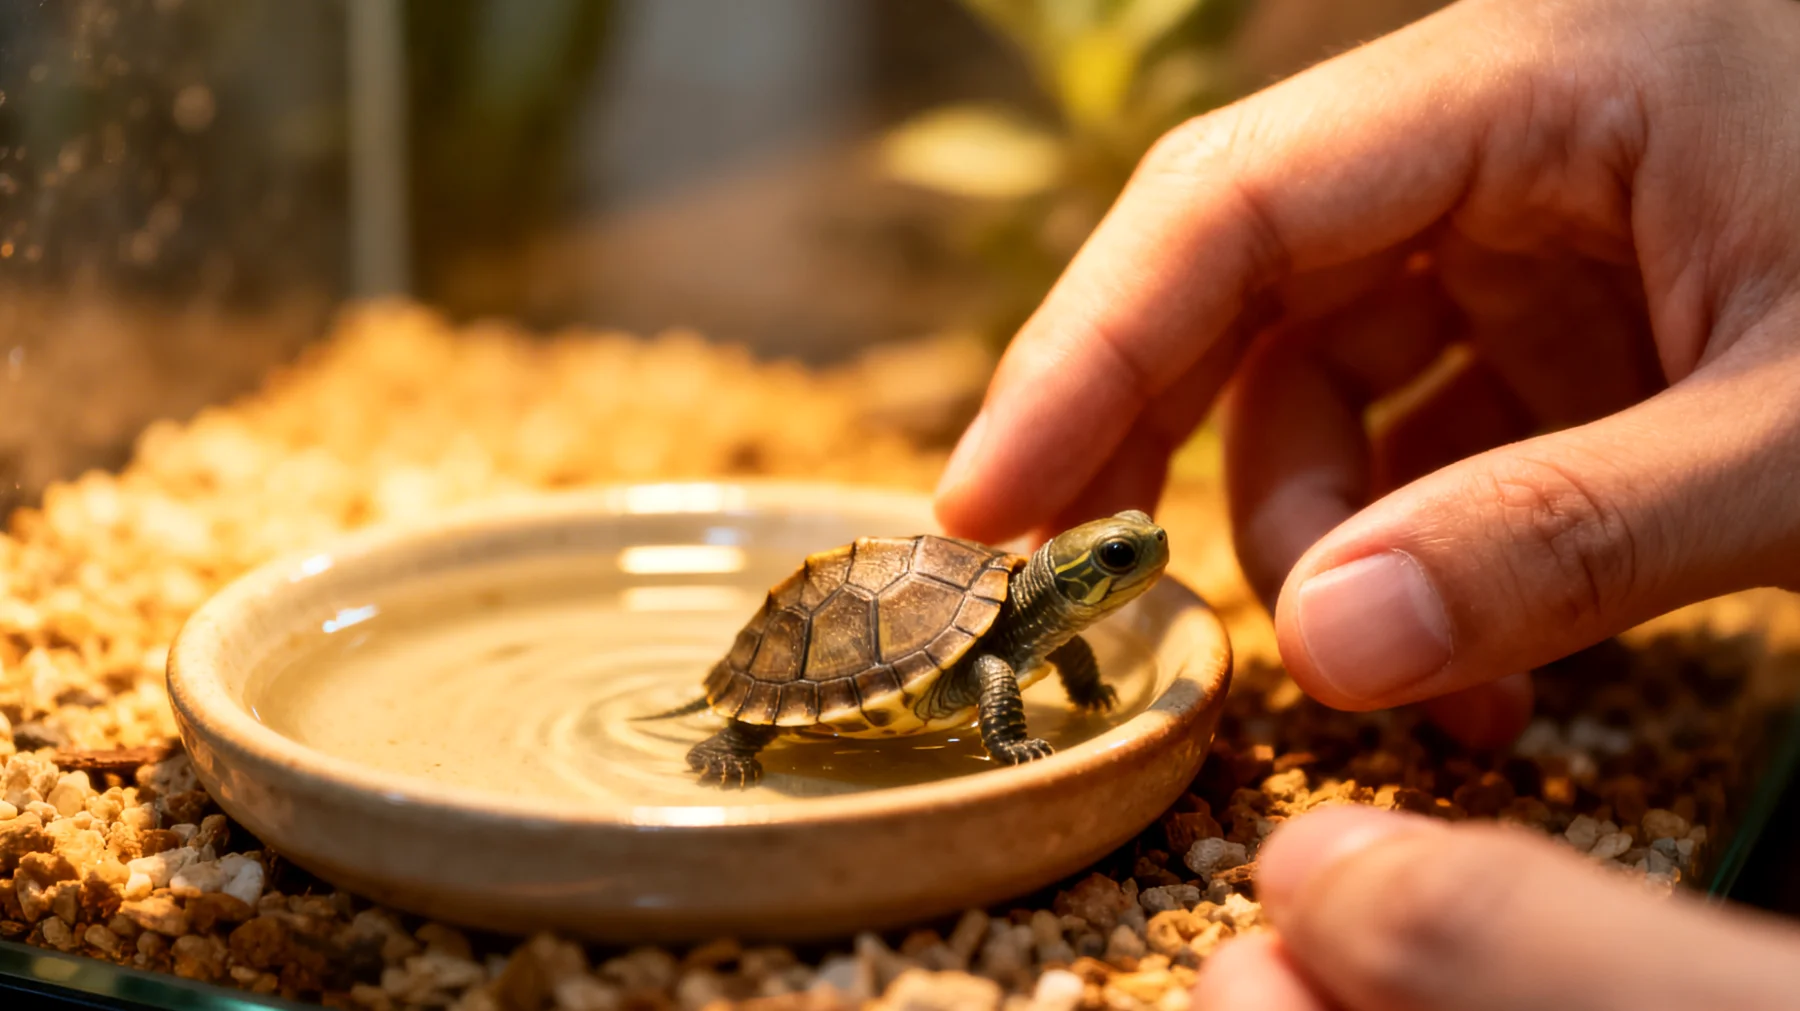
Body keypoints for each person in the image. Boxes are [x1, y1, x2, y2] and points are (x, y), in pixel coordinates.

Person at [932, 0, 1800, 1006]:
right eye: (1117, 562)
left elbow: (1028, 654)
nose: (1149, 551)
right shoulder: (1026, 629)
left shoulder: (1043, 627)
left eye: (1125, 553)